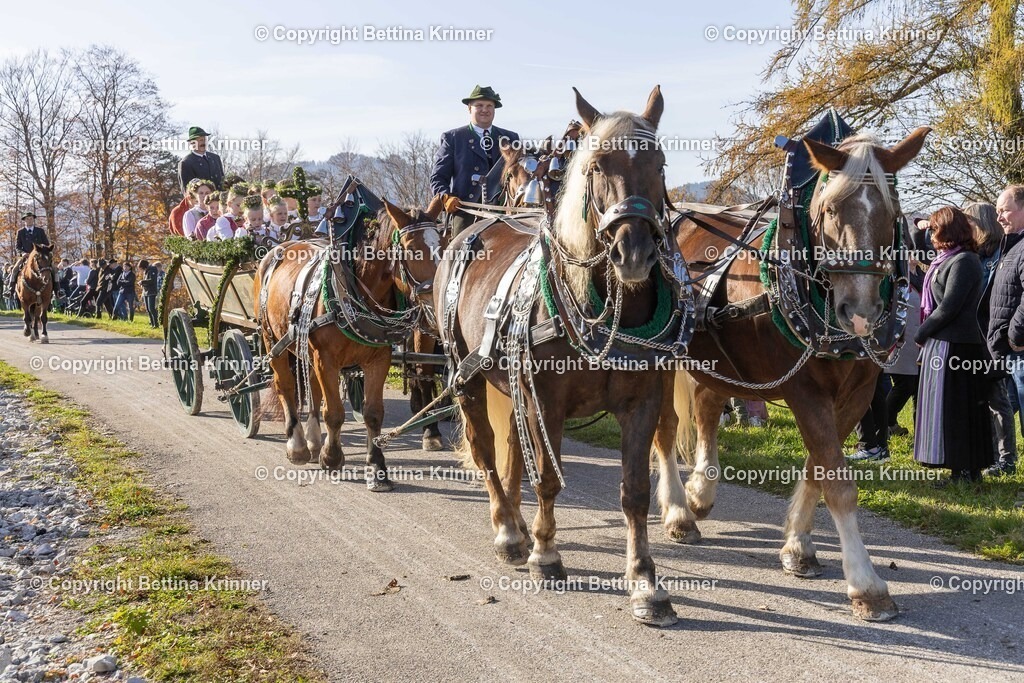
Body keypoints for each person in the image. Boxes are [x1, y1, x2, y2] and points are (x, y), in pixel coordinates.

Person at [914, 207, 992, 483]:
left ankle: (968, 471)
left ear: (947, 230)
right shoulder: (945, 260)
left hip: (960, 346)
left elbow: (948, 307)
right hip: (946, 344)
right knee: (950, 410)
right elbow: (934, 297)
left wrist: (920, 334)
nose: (931, 236)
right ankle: (957, 468)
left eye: (934, 229)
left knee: (961, 411)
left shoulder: (964, 261)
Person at [967, 201, 1017, 476]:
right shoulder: (978, 255)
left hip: (994, 337)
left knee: (999, 400)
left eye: (970, 223)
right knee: (988, 399)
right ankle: (991, 456)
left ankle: (1006, 460)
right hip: (979, 337)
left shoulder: (1001, 255)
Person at [430, 85, 520, 235]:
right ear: (469, 108)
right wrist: (445, 197)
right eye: (479, 105)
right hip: (467, 211)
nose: (485, 109)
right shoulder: (453, 138)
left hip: (505, 211)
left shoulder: (511, 138)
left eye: (489, 106)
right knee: (458, 255)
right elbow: (438, 177)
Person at [986, 185, 1024, 475]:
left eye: (1004, 209)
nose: (999, 216)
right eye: (997, 210)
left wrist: (1014, 335)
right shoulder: (1011, 245)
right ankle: (1002, 463)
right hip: (1008, 353)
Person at [8, 212, 51, 295]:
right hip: (26, 256)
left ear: (33, 219)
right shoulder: (20, 232)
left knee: (54, 269)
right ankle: (10, 289)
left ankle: (58, 290)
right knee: (14, 269)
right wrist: (22, 253)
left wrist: (43, 247)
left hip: (39, 256)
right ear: (24, 220)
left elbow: (46, 243)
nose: (29, 220)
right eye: (27, 219)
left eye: (31, 218)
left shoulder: (40, 231)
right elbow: (17, 247)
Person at [178, 126, 224, 192]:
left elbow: (222, 182)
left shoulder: (215, 158)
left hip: (219, 200)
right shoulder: (186, 163)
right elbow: (187, 191)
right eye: (200, 140)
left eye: (205, 140)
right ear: (192, 143)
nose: (203, 143)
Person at [139, 259, 159, 328]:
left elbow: (152, 280)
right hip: (146, 291)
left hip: (151, 291)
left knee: (152, 308)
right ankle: (152, 323)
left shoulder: (153, 269)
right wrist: (142, 283)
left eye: (141, 268)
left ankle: (156, 324)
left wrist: (142, 282)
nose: (141, 270)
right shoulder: (146, 271)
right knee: (148, 309)